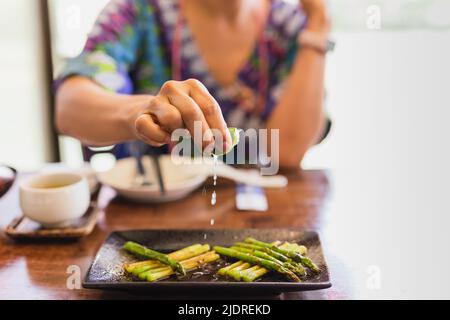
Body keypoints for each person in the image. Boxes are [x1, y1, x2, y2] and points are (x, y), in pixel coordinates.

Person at [55, 0, 331, 168]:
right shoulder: (140, 11)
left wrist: (318, 24)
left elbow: (285, 153)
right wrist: (142, 110)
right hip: (147, 220)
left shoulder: (294, 26)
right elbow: (69, 110)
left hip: (257, 219)